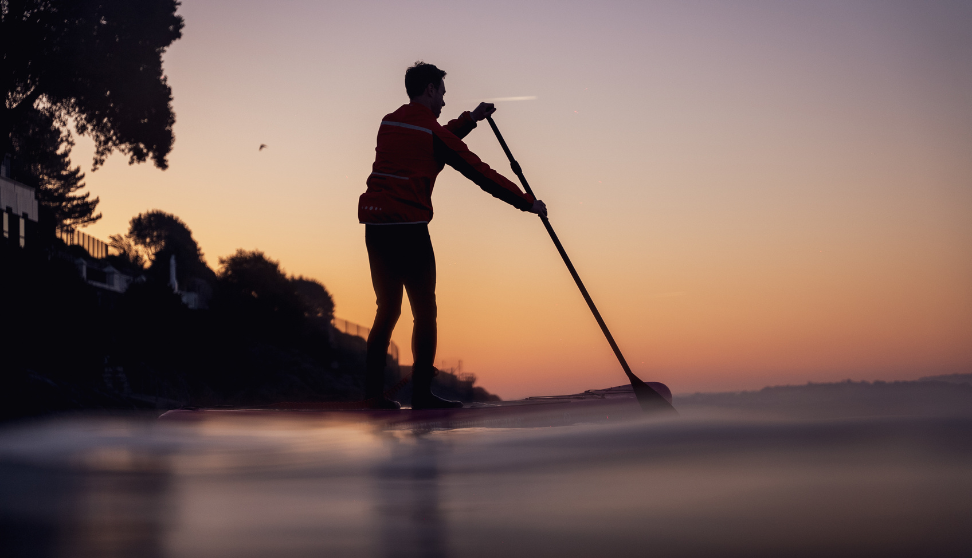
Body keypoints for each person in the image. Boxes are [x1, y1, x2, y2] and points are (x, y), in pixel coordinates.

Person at [359, 61, 547, 410]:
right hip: (410, 229)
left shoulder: (390, 123)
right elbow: (479, 171)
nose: (444, 101)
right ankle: (420, 395)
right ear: (430, 88)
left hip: (375, 226)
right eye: (442, 93)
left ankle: (371, 396)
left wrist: (471, 119)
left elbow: (434, 140)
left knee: (387, 309)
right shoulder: (431, 133)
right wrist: (527, 202)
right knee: (424, 311)